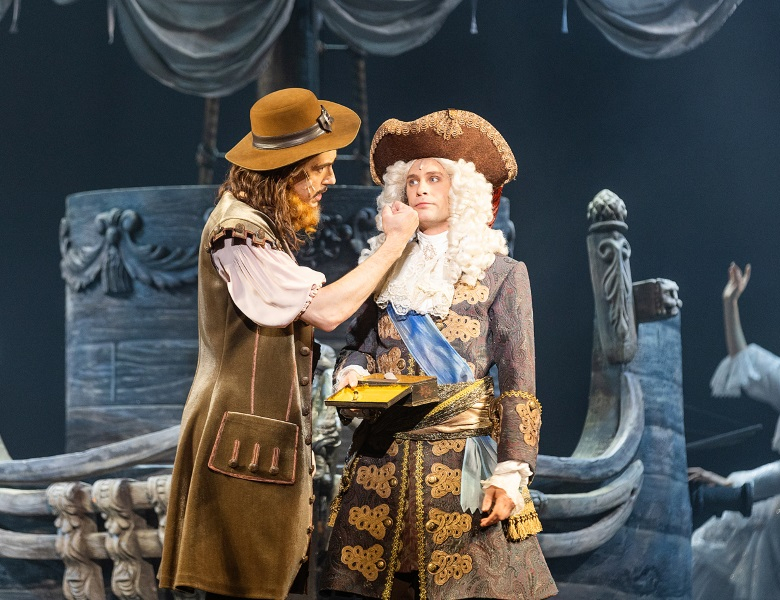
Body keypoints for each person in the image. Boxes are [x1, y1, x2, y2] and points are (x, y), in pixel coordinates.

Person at [158, 88, 418, 600]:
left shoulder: (258, 226)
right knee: (240, 587)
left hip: (260, 444)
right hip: (239, 446)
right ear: (281, 172)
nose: (330, 180)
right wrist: (394, 243)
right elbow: (326, 310)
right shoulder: (237, 233)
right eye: (319, 168)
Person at [320, 109, 557, 599]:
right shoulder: (380, 266)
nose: (420, 189)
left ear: (461, 190)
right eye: (412, 181)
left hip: (462, 468)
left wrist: (512, 471)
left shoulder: (501, 273)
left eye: (434, 178)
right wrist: (352, 372)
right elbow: (357, 346)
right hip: (381, 465)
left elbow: (519, 385)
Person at [690, 262, 780, 599]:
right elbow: (747, 360)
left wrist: (731, 484)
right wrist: (730, 303)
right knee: (703, 551)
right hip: (773, 498)